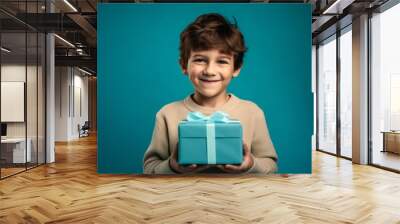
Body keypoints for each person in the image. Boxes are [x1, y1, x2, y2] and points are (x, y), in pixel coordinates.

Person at [143, 13, 278, 174]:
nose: (209, 71)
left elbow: (271, 165)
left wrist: (251, 165)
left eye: (221, 61)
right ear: (183, 65)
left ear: (236, 68)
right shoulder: (166, 114)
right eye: (200, 60)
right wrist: (172, 166)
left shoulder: (253, 112)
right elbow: (149, 168)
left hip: (238, 197)